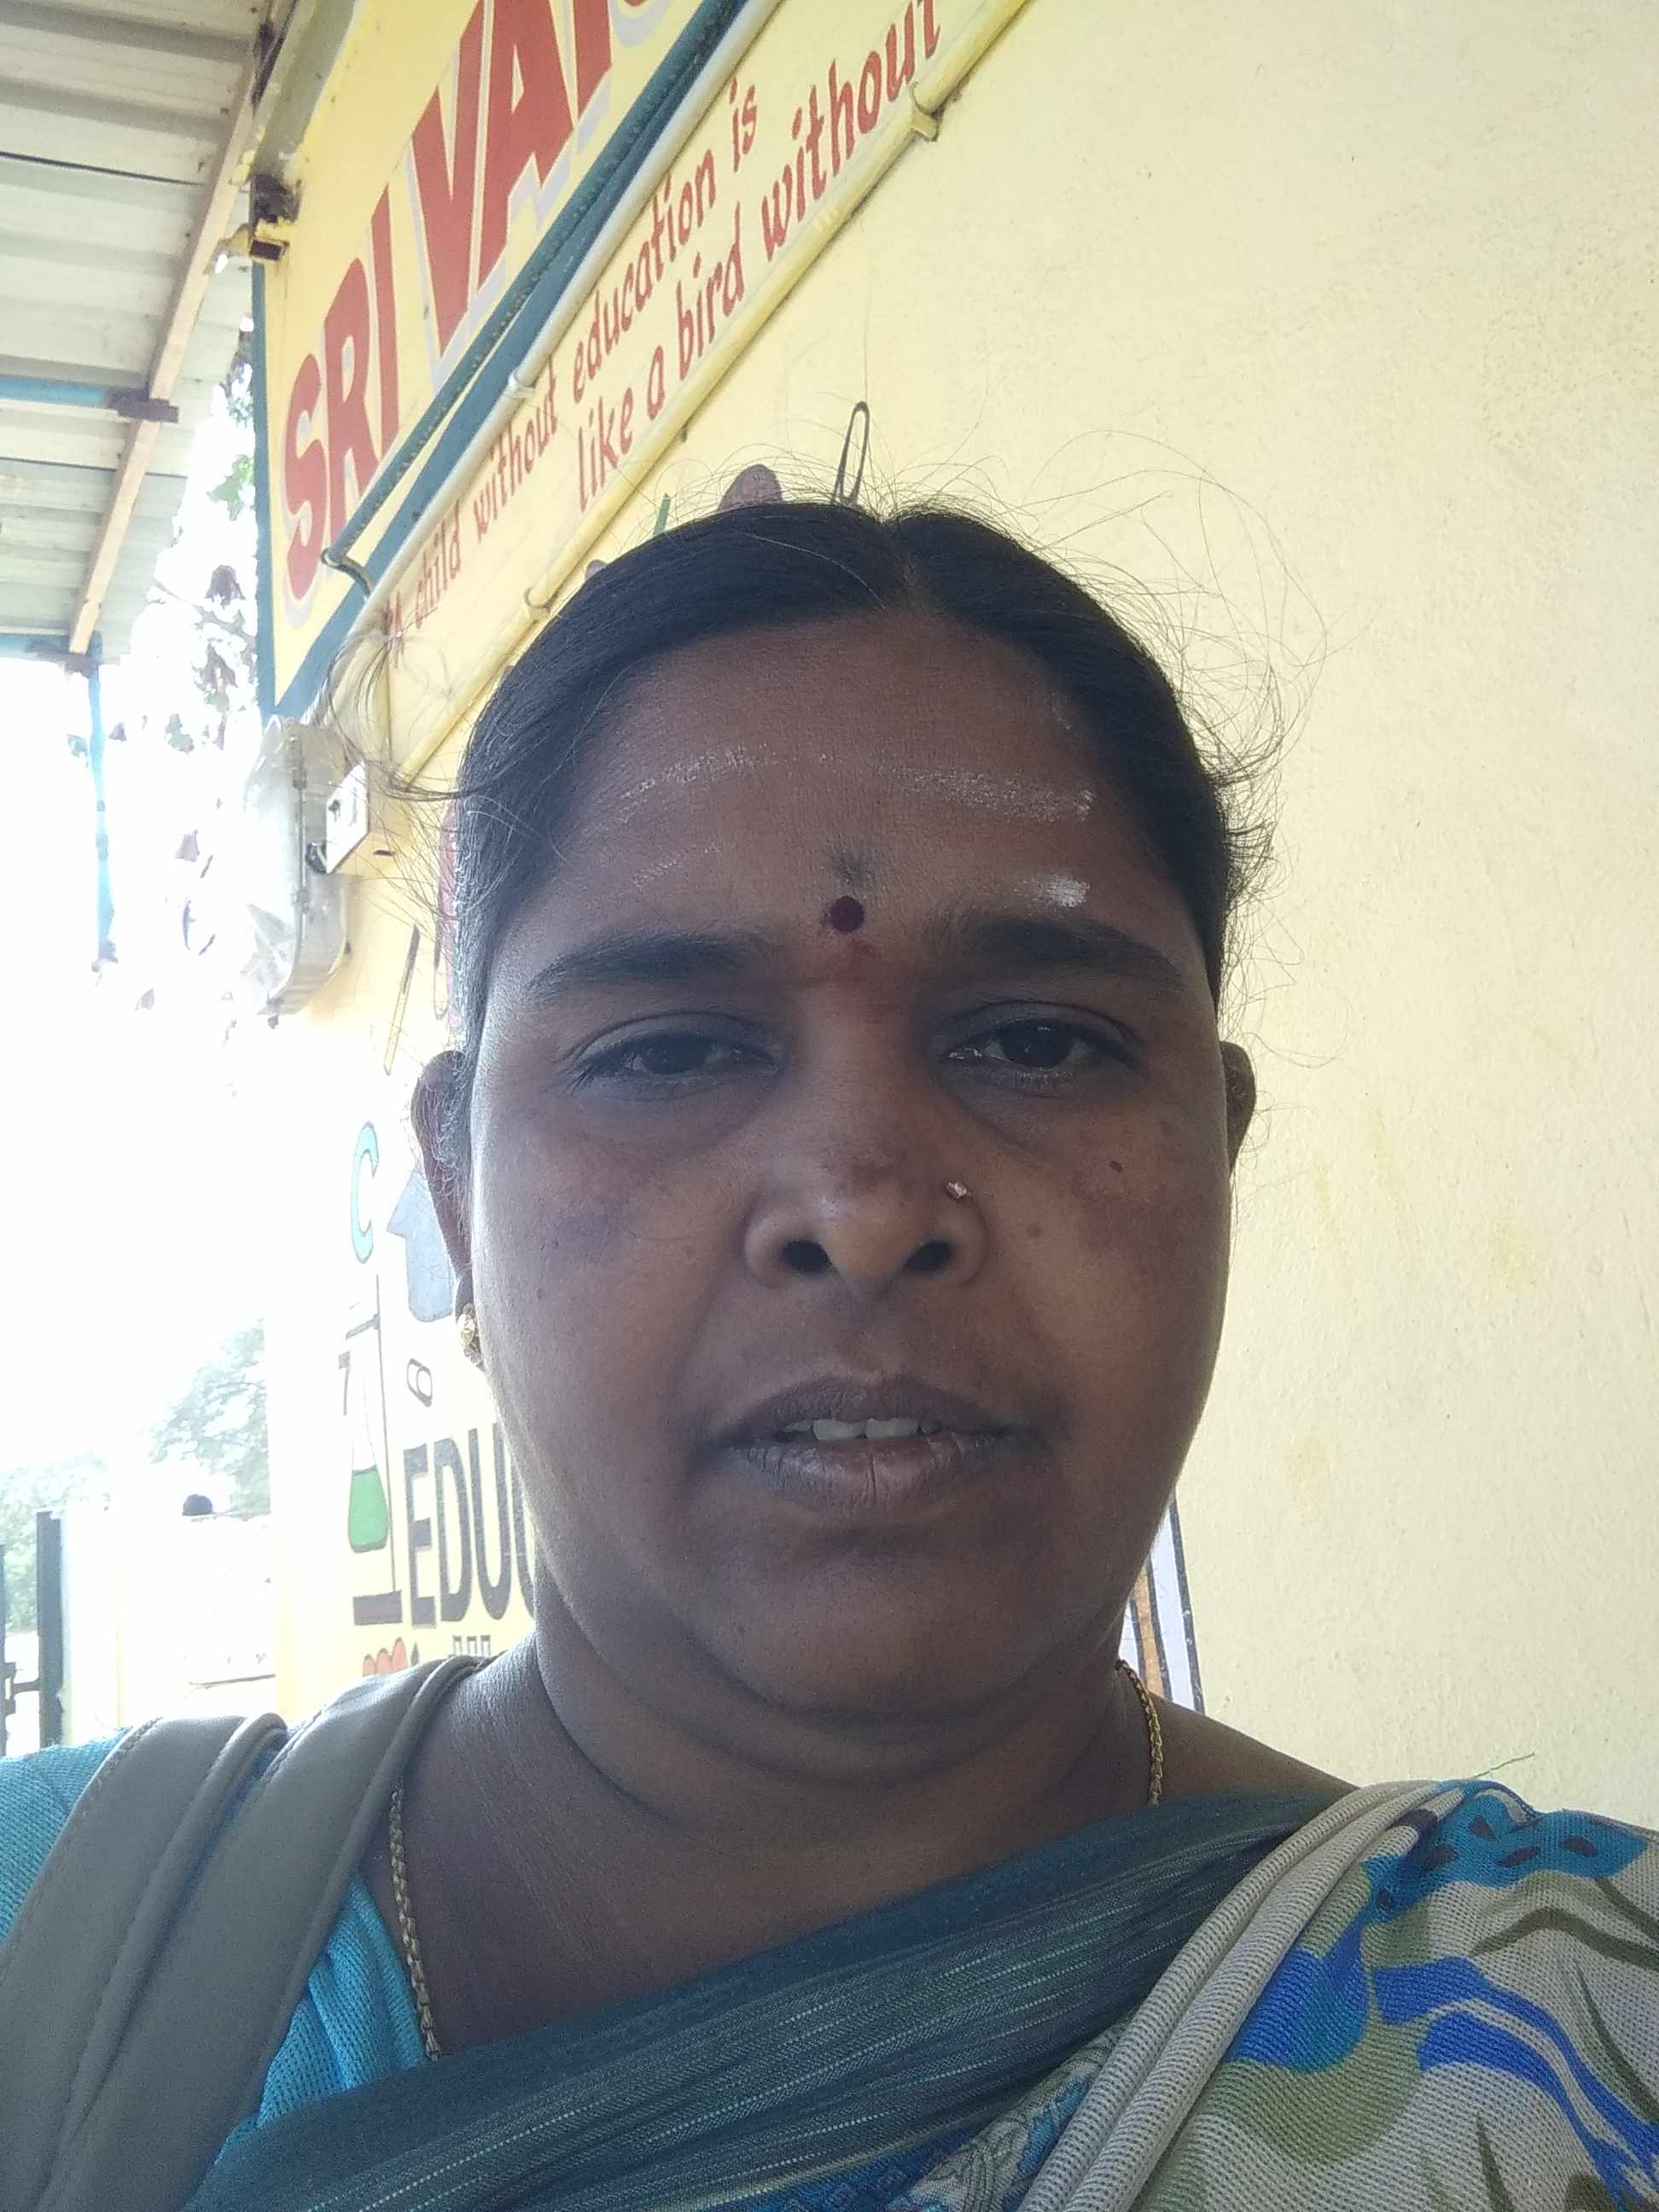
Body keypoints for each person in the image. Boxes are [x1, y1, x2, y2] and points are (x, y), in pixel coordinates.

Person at [3, 500, 1654, 2211]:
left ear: (1215, 1153)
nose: (866, 1208)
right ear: (457, 1188)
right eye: (667, 1053)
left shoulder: (1571, 2043)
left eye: (1041, 1041)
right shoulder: (50, 1943)